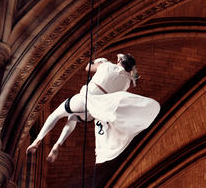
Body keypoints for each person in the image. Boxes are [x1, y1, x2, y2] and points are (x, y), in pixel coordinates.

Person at [27, 53, 160, 164]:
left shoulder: (107, 65)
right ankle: (58, 144)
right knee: (72, 119)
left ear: (119, 60)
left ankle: (36, 141)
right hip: (94, 111)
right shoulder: (126, 81)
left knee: (56, 114)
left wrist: (98, 60)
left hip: (85, 99)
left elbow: (88, 67)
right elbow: (129, 79)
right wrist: (133, 76)